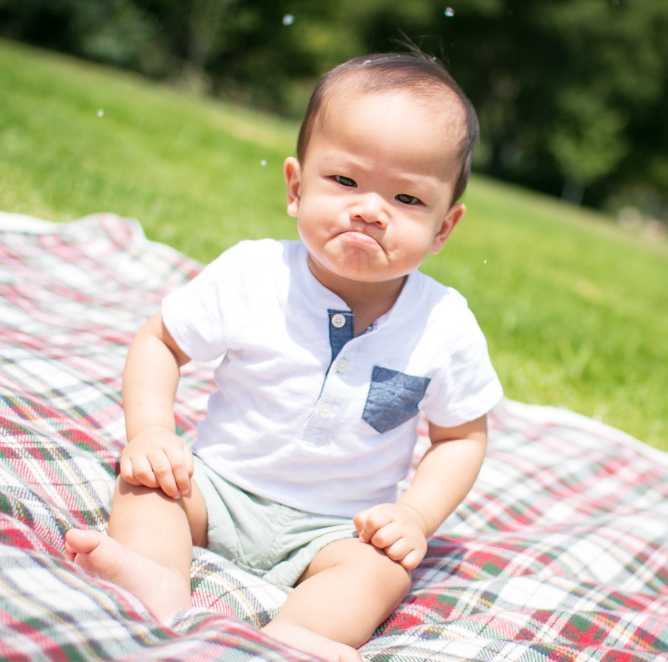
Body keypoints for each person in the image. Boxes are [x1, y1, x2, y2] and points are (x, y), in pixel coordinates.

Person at [64, 51, 503, 662]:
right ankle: (154, 580)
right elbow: (160, 342)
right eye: (345, 181)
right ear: (297, 188)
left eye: (406, 198)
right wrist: (152, 431)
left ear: (443, 229)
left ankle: (303, 633)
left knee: (380, 571)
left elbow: (460, 437)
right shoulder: (255, 274)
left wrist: (414, 516)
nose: (370, 209)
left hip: (339, 528)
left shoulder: (444, 323)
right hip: (214, 486)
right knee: (146, 488)